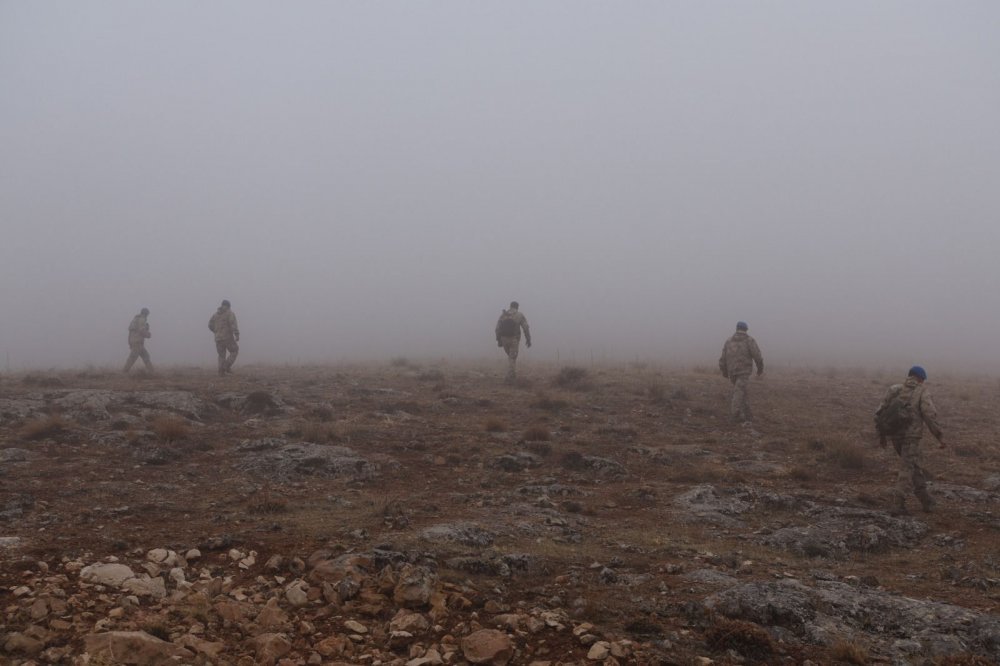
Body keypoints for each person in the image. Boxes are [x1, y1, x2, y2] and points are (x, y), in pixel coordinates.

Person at [875, 366, 946, 514]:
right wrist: (939, 436)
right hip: (911, 437)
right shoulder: (921, 391)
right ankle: (898, 504)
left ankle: (926, 501)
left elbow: (879, 413)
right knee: (907, 468)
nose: (923, 382)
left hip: (895, 436)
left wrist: (882, 436)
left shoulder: (894, 389)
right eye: (923, 379)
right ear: (920, 378)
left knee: (913, 466)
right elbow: (929, 415)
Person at [718, 321, 764, 423]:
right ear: (746, 329)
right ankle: (734, 415)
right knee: (739, 392)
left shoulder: (729, 341)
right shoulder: (749, 340)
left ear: (736, 328)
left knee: (741, 391)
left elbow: (722, 359)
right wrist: (760, 368)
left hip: (732, 372)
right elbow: (757, 356)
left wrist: (724, 371)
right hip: (744, 371)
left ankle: (748, 415)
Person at [495, 301, 531, 382]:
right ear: (517, 307)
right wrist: (528, 339)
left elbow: (497, 329)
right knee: (512, 358)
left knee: (511, 357)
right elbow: (525, 327)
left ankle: (512, 375)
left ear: (510, 306)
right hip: (514, 339)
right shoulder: (519, 315)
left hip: (504, 339)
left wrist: (499, 340)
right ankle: (510, 378)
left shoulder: (503, 315)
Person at [208, 299, 239, 376]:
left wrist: (216, 331)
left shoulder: (215, 315)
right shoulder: (229, 313)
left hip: (218, 338)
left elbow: (210, 325)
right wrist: (236, 334)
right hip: (227, 337)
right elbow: (233, 324)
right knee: (234, 350)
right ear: (228, 306)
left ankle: (221, 372)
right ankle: (226, 366)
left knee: (221, 355)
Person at [123, 308, 154, 373]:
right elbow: (141, 330)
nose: (147, 316)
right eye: (147, 314)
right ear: (145, 313)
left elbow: (130, 333)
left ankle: (152, 372)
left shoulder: (135, 320)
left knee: (145, 356)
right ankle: (124, 372)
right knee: (132, 358)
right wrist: (148, 334)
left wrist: (130, 343)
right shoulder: (142, 319)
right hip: (138, 342)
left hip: (134, 341)